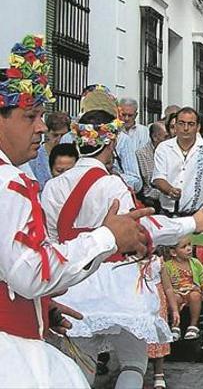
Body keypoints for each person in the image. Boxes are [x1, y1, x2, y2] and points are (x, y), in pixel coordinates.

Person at [0, 34, 152, 388]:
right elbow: (30, 271)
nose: (41, 127)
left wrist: (38, 306)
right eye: (30, 116)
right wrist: (107, 237)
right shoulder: (10, 184)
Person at [42, 100, 203, 389]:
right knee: (134, 361)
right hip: (118, 283)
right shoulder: (112, 185)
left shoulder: (53, 186)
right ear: (110, 143)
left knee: (80, 365)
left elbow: (50, 240)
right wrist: (191, 223)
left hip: (72, 284)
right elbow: (142, 229)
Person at [153, 107, 203, 216]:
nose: (186, 128)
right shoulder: (164, 148)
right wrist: (169, 190)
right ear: (175, 126)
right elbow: (158, 178)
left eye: (191, 124)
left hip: (199, 216)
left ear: (198, 127)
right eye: (181, 123)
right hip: (169, 214)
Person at [164, 237, 203, 341]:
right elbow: (166, 285)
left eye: (189, 245)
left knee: (195, 296)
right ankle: (175, 325)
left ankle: (193, 326)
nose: (189, 248)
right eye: (184, 247)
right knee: (174, 298)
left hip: (193, 290)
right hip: (176, 292)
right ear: (173, 252)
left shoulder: (195, 263)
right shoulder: (167, 266)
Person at [147, 252, 178, 389]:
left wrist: (174, 309)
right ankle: (133, 368)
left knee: (158, 337)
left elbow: (168, 288)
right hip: (137, 304)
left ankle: (158, 372)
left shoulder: (157, 262)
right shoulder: (128, 262)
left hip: (157, 305)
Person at [28, 110, 70, 189]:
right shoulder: (35, 156)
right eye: (55, 135)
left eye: (63, 135)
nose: (59, 139)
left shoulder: (72, 155)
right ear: (47, 133)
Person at [136, 121, 168, 209]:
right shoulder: (143, 153)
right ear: (155, 137)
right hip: (152, 197)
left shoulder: (170, 150)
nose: (169, 140)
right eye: (166, 137)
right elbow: (152, 180)